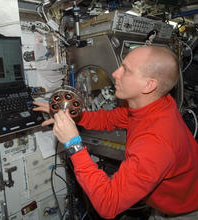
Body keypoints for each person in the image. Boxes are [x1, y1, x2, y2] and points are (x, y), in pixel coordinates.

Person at [33, 45, 198, 220]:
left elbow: (109, 204)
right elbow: (109, 119)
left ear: (149, 85)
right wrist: (70, 115)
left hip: (182, 211)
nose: (115, 73)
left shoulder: (156, 142)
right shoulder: (154, 103)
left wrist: (73, 144)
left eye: (126, 70)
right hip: (166, 199)